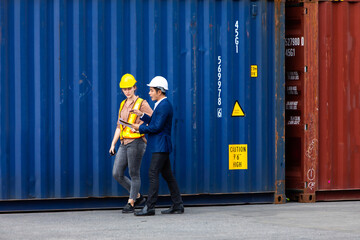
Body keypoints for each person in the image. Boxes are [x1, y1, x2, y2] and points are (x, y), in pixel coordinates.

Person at [131, 76, 184, 216]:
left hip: (160, 145)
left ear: (159, 91)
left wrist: (139, 128)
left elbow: (156, 127)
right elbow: (155, 121)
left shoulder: (164, 106)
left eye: (151, 90)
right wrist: (142, 115)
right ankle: (178, 205)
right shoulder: (161, 104)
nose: (149, 93)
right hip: (161, 145)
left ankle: (149, 207)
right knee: (168, 176)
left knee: (153, 173)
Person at [109, 73, 153, 213]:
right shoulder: (123, 104)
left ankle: (131, 202)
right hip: (123, 142)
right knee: (117, 173)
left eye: (129, 88)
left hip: (137, 142)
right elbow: (119, 126)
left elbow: (154, 120)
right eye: (124, 89)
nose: (127, 91)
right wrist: (112, 144)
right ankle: (138, 196)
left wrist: (141, 118)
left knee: (134, 173)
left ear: (135, 87)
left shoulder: (142, 103)